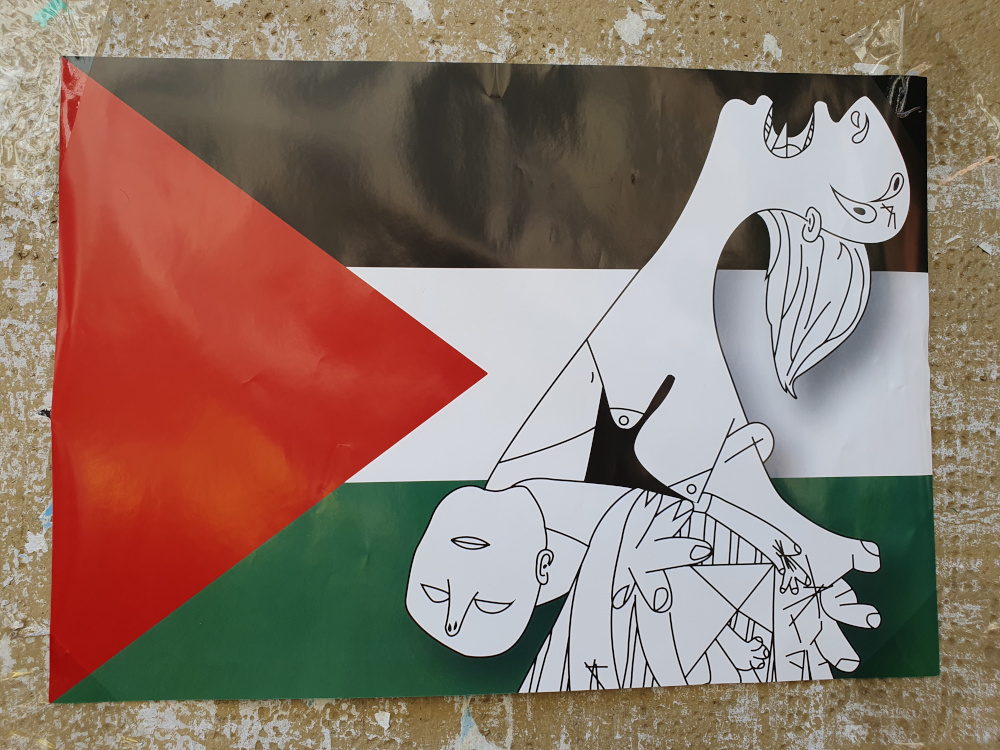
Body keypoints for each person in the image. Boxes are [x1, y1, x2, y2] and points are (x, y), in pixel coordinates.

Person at [407, 93, 910, 689]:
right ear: (542, 573)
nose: (458, 600)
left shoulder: (564, 467)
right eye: (488, 606)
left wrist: (785, 534)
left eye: (432, 590)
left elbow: (657, 326)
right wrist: (785, 540)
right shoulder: (640, 540)